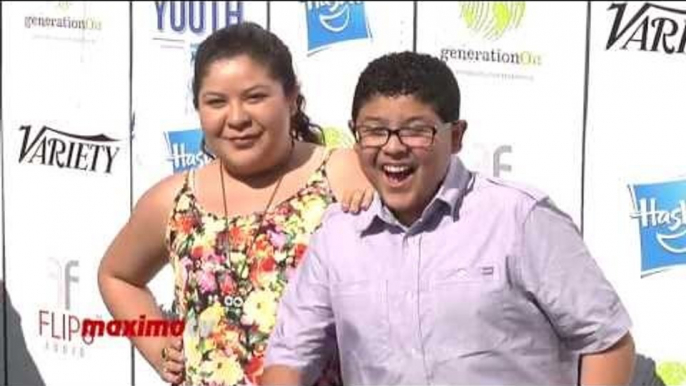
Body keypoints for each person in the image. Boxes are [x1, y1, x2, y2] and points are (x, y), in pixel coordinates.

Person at [261, 51, 636, 386]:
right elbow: (290, 358)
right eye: (374, 131)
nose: (393, 147)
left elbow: (606, 341)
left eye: (416, 131)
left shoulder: (519, 218)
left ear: (455, 136)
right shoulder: (337, 235)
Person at [97, 22, 373, 386]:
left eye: (255, 97)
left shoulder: (342, 173)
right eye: (216, 102)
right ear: (197, 107)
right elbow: (117, 276)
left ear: (291, 96)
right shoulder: (174, 200)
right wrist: (160, 346)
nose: (238, 118)